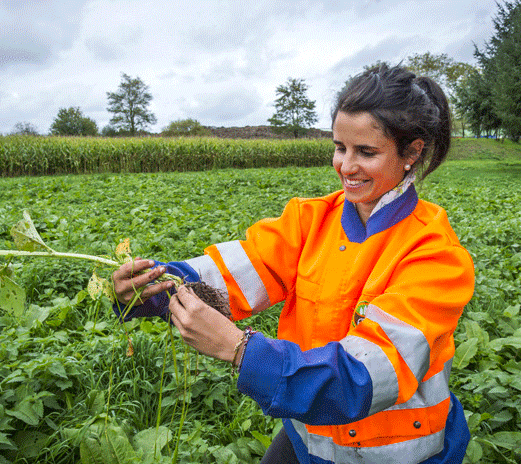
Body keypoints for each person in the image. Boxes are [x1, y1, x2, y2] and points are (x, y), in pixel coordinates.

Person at [112, 64, 475, 464]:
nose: (346, 166)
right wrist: (156, 285)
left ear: (412, 152)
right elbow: (235, 273)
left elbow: (361, 380)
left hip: (398, 454)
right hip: (310, 439)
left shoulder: (434, 255)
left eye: (366, 152)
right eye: (340, 147)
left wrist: (239, 350)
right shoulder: (310, 220)